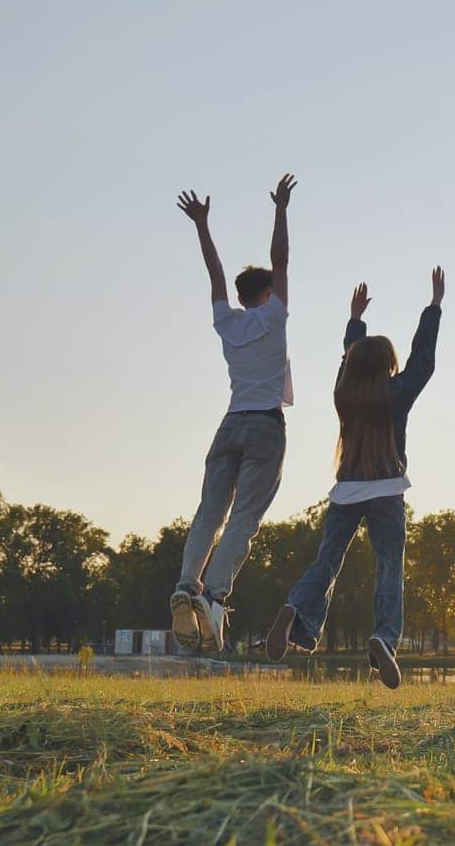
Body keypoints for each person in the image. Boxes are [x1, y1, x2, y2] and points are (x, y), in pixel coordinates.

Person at [264, 269, 445, 689]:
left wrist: (355, 322)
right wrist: (433, 307)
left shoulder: (343, 393)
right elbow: (424, 361)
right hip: (387, 491)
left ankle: (295, 609)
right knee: (388, 566)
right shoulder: (397, 394)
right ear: (388, 367)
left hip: (345, 491)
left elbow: (353, 358)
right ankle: (383, 638)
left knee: (327, 561)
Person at [170, 174, 298, 653]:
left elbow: (214, 274)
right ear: (267, 294)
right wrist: (281, 208)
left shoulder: (227, 321)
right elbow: (281, 259)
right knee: (244, 516)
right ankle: (215, 596)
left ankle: (187, 584)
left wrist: (202, 225)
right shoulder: (275, 316)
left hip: (228, 426)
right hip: (265, 425)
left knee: (210, 511)